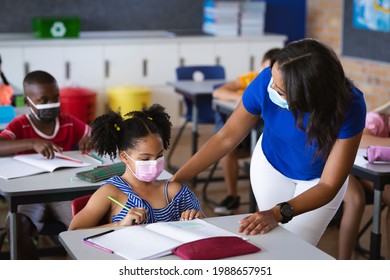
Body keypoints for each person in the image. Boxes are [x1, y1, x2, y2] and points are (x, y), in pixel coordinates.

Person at [172, 38, 367, 246]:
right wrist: (178, 179)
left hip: (317, 182)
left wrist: (277, 213)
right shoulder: (267, 81)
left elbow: (329, 185)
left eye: (281, 90)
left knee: (296, 249)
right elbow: (226, 137)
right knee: (269, 242)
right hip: (271, 165)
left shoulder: (350, 107)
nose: (271, 87)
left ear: (308, 96)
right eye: (272, 79)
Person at [0, 70, 92, 259]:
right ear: (28, 102)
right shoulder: (20, 125)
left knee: (87, 224)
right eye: (43, 100)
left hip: (64, 191)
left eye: (56, 98)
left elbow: (94, 134)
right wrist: (31, 142)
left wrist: (93, 140)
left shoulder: (68, 122)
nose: (52, 104)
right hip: (30, 195)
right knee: (15, 226)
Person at [68, 104, 203, 230]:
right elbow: (73, 232)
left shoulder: (176, 192)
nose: (154, 162)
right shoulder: (110, 192)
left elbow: (206, 225)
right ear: (124, 156)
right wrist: (120, 224)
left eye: (159, 156)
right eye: (145, 158)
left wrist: (196, 219)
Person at [213, 48, 280, 215]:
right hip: (246, 133)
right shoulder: (251, 79)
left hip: (269, 135)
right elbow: (218, 91)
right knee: (228, 152)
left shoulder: (283, 85)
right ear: (260, 66)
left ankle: (265, 208)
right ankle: (232, 196)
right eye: (266, 69)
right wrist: (247, 99)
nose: (268, 75)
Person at [338, 105, 390, 259]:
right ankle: (344, 261)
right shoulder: (376, 120)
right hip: (341, 167)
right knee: (356, 200)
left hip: (368, 173)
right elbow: (361, 138)